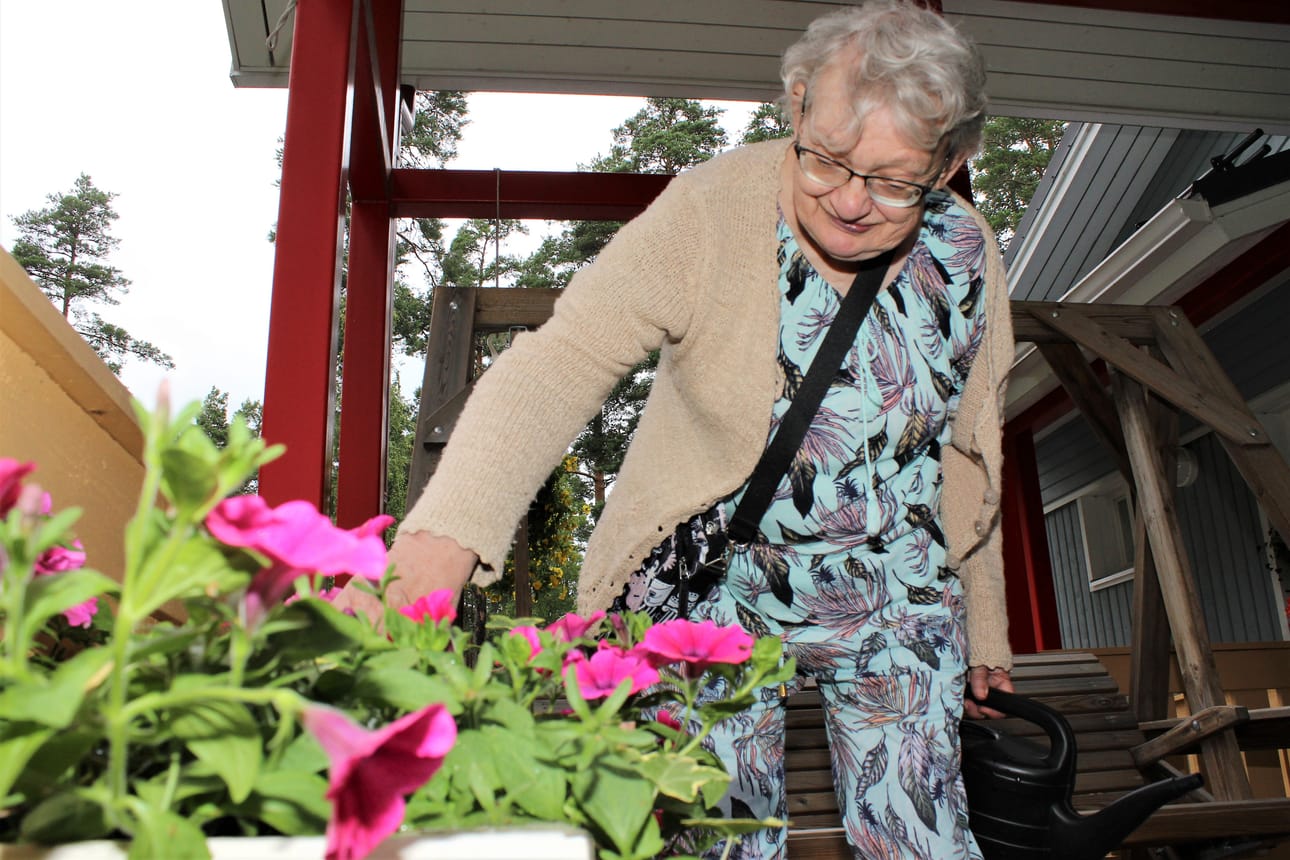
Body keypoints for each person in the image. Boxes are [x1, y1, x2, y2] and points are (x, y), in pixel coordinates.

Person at [342, 1, 1015, 856]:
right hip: (717, 586)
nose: (849, 201)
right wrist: (447, 535)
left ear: (950, 159)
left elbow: (967, 444)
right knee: (715, 842)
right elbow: (562, 360)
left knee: (922, 844)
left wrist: (984, 619)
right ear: (798, 101)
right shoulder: (710, 210)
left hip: (896, 591)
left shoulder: (966, 251)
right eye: (827, 161)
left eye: (892, 181)